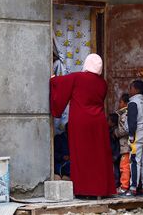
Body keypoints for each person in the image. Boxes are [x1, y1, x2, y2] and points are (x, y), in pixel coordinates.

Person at [50, 53, 116, 197]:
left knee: (81, 155)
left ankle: (84, 190)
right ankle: (101, 190)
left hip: (80, 121)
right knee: (98, 156)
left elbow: (58, 84)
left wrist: (53, 79)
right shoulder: (103, 83)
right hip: (99, 123)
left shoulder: (77, 77)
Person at [127, 80, 143, 196]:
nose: (129, 90)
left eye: (130, 88)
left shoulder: (133, 103)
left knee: (135, 161)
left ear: (135, 90)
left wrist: (131, 136)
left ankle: (133, 188)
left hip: (136, 135)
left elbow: (132, 122)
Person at [115, 93, 131, 196]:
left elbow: (125, 129)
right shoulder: (125, 113)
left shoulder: (124, 114)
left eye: (120, 102)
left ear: (125, 103)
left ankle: (124, 187)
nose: (119, 104)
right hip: (127, 144)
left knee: (124, 166)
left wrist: (116, 132)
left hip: (126, 145)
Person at [108, 113, 121, 189]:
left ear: (112, 122)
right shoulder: (110, 131)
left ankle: (116, 184)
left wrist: (115, 155)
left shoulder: (114, 132)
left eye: (108, 120)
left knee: (116, 169)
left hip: (115, 153)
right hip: (113, 153)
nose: (107, 122)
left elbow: (117, 145)